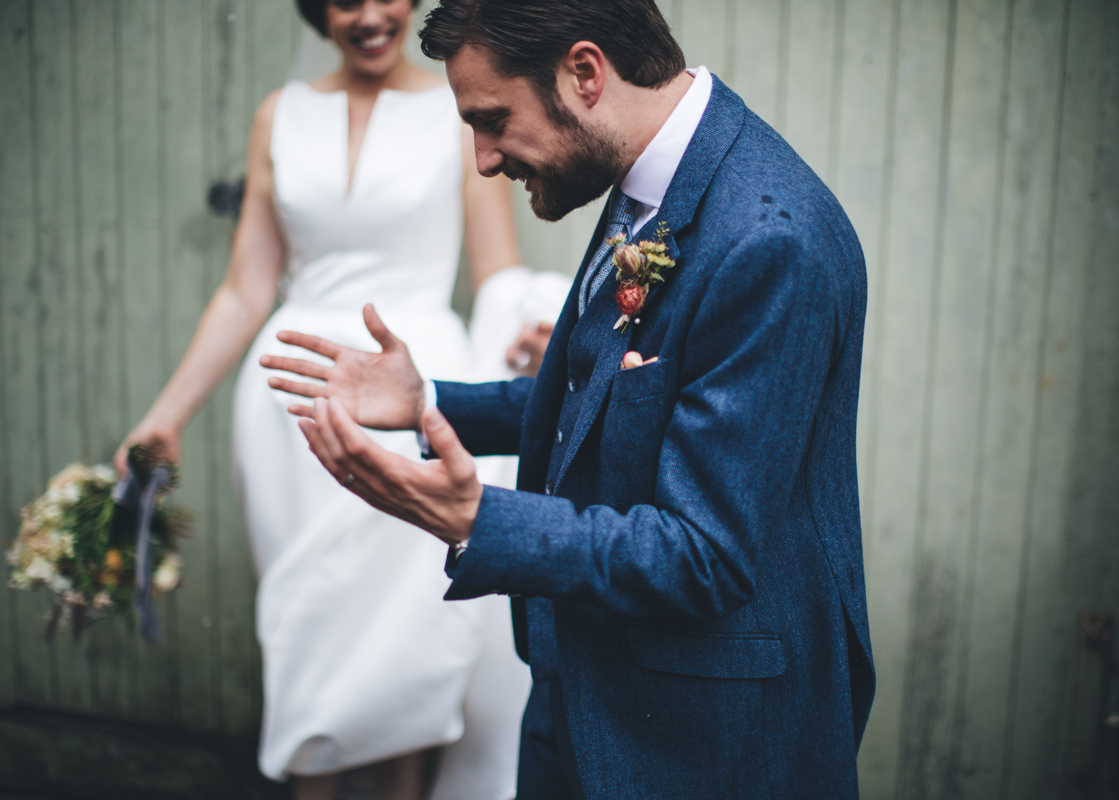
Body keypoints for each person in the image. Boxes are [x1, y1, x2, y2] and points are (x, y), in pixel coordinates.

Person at [265, 0, 876, 796]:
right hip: (580, 682)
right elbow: (610, 407)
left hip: (702, 735)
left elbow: (703, 557)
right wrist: (430, 403)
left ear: (584, 73)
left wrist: (475, 519)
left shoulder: (770, 241)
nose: (482, 160)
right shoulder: (647, 176)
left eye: (492, 119)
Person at [114, 1, 551, 797]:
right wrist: (165, 415)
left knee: (405, 634)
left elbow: (498, 271)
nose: (369, 14)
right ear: (317, 10)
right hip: (292, 401)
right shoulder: (280, 115)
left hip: (412, 393)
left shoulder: (460, 113)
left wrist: (529, 331)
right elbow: (246, 290)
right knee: (310, 627)